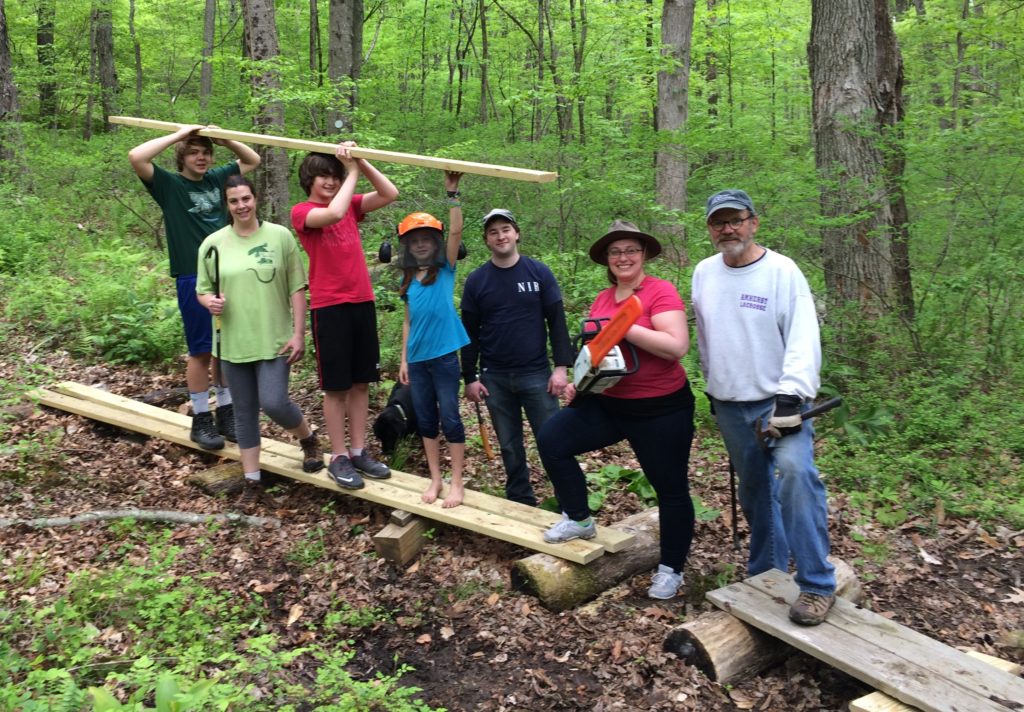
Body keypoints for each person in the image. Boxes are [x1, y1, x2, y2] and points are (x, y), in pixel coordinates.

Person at [691, 188, 836, 626]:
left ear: (754, 221)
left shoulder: (782, 272)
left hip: (780, 403)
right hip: (730, 404)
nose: (727, 229)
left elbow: (803, 336)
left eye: (736, 219)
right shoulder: (704, 272)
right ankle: (766, 575)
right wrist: (716, 388)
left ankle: (816, 584)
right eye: (719, 222)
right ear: (710, 229)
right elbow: (709, 337)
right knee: (755, 490)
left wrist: (791, 395)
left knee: (795, 476)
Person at [536, 220, 696, 600]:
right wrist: (581, 382)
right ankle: (579, 519)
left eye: (631, 251)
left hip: (661, 408)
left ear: (643, 255)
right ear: (607, 260)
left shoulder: (659, 292)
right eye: (615, 252)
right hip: (609, 402)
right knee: (552, 439)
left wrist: (625, 328)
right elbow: (597, 353)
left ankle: (672, 569)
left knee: (670, 488)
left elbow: (676, 346)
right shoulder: (604, 299)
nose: (623, 257)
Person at [128, 124, 261, 450]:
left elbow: (252, 159)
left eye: (206, 152)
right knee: (202, 350)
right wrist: (180, 134)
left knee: (227, 350)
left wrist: (225, 137)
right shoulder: (170, 185)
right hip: (194, 276)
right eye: (194, 152)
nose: (201, 158)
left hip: (227, 274)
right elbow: (136, 156)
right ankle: (201, 418)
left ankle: (226, 414)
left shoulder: (219, 180)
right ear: (182, 157)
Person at [196, 176, 324, 496]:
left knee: (274, 402)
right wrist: (208, 302)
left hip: (274, 338)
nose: (241, 206)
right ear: (227, 205)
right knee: (243, 410)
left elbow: (296, 287)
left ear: (256, 199)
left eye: (246, 199)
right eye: (234, 201)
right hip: (233, 341)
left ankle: (307, 437)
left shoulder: (279, 237)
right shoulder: (213, 245)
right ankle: (252, 479)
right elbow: (201, 290)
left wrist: (299, 334)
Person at [290, 142, 399, 491]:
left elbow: (389, 192)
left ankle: (357, 451)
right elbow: (333, 215)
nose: (331, 182)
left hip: (361, 301)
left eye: (335, 176)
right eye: (324, 176)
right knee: (336, 387)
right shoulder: (302, 211)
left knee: (361, 382)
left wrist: (360, 161)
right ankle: (337, 456)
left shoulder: (351, 203)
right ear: (309, 179)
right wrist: (349, 170)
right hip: (329, 306)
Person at [460, 209, 573, 506]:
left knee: (553, 440)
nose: (501, 236)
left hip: (537, 375)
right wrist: (469, 377)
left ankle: (568, 501)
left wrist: (561, 368)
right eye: (494, 232)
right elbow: (468, 333)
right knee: (509, 446)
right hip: (494, 377)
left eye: (506, 229)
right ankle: (521, 500)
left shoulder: (539, 273)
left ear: (517, 233)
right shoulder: (477, 281)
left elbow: (557, 323)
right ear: (487, 240)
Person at [398, 172, 470, 508]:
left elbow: (456, 230)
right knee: (425, 419)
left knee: (451, 417)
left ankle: (457, 482)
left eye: (426, 238)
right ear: (408, 247)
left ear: (435, 242)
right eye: (415, 241)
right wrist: (402, 360)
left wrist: (451, 193)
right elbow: (408, 321)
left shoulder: (446, 268)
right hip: (417, 359)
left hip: (443, 357)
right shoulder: (408, 280)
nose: (421, 244)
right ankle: (436, 479)